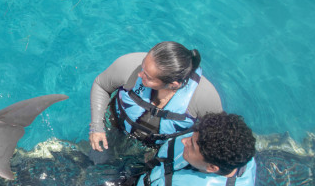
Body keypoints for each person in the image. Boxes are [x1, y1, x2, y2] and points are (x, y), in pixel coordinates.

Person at [89, 41, 223, 154]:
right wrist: (97, 126)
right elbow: (101, 85)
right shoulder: (129, 65)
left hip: (159, 149)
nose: (140, 75)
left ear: (173, 85)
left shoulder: (204, 98)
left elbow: (215, 136)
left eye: (148, 76)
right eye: (143, 66)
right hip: (116, 126)